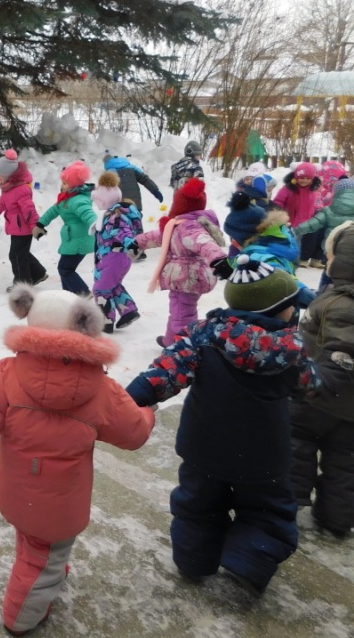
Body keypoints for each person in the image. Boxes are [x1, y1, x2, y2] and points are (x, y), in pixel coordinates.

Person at [0, 285, 155, 636]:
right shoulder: (102, 390)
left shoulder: (8, 373)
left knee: (35, 541)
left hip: (15, 489)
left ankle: (41, 568)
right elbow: (134, 434)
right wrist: (147, 414)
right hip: (59, 505)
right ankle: (20, 618)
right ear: (84, 327)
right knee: (43, 557)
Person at [125, 256, 319, 595]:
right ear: (282, 311)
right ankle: (249, 558)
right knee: (268, 510)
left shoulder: (203, 335)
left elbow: (166, 371)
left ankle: (193, 558)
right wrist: (330, 380)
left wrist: (131, 397)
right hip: (264, 457)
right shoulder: (291, 350)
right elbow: (311, 386)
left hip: (204, 448)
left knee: (197, 505)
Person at [290, 221, 354, 537]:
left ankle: (287, 503)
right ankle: (337, 518)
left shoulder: (337, 303)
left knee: (297, 446)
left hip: (317, 395)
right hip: (350, 412)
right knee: (343, 463)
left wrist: (310, 380)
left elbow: (343, 352)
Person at [135, 177, 226, 347]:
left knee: (182, 316)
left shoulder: (189, 227)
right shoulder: (179, 224)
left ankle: (183, 349)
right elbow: (159, 236)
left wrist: (219, 259)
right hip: (186, 277)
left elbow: (204, 242)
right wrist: (137, 242)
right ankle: (170, 341)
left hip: (187, 277)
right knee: (178, 311)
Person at [90, 171, 144, 333]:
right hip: (114, 256)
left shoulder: (116, 216)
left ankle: (105, 322)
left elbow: (124, 232)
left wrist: (131, 244)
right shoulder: (112, 213)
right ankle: (129, 311)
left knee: (100, 290)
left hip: (114, 256)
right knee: (112, 286)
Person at [34, 160, 95, 296]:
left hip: (79, 240)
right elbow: (53, 211)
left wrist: (95, 224)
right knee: (65, 269)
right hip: (73, 239)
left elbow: (88, 214)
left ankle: (83, 294)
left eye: (65, 183)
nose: (62, 186)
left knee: (65, 269)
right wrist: (40, 224)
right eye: (62, 182)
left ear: (74, 185)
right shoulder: (66, 199)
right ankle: (69, 297)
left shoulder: (77, 200)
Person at [0, 149, 47, 290]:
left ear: (10, 175)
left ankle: (22, 284)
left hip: (24, 229)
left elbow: (29, 210)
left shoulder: (21, 190)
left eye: (0, 176)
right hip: (16, 228)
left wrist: (36, 226)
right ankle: (38, 273)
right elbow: (1, 203)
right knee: (21, 254)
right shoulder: (8, 189)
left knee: (16, 256)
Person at [273, 162, 323, 266]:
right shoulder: (288, 189)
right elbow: (279, 201)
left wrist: (317, 212)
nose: (304, 181)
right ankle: (291, 261)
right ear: (296, 177)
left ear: (313, 179)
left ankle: (299, 259)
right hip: (290, 222)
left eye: (308, 178)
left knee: (304, 243)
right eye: (302, 177)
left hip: (306, 222)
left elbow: (315, 204)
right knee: (292, 242)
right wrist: (279, 213)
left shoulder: (313, 190)